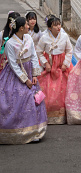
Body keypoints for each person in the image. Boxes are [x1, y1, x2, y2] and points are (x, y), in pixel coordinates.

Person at [0, 16, 47, 144]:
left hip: (29, 69)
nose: (28, 26)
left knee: (34, 98)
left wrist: (35, 75)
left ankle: (33, 131)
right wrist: (24, 79)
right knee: (20, 97)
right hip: (15, 73)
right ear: (21, 28)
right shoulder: (10, 43)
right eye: (26, 24)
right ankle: (17, 130)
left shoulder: (28, 38)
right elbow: (13, 64)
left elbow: (33, 56)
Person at [36, 15, 73, 124]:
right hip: (50, 66)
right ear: (49, 28)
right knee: (49, 89)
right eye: (55, 25)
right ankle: (49, 114)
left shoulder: (65, 36)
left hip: (61, 66)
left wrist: (65, 64)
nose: (58, 27)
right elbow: (39, 52)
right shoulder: (44, 38)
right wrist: (46, 63)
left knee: (65, 88)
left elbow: (69, 51)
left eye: (59, 24)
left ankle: (64, 114)